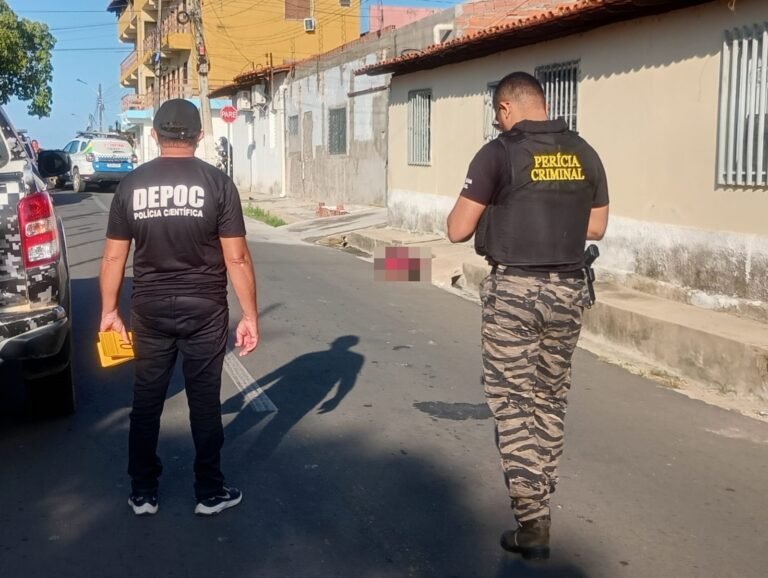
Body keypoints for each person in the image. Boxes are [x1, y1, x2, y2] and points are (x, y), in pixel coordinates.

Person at [446, 72, 609, 560]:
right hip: (568, 290)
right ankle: (540, 490)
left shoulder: (498, 153)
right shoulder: (584, 152)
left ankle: (532, 520)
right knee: (550, 398)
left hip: (515, 291)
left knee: (512, 404)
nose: (498, 122)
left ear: (506, 108)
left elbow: (457, 229)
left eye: (497, 114)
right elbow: (596, 226)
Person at [99, 99, 260, 517]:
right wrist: (249, 316)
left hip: (149, 309)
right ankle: (209, 492)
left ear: (154, 135)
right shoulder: (218, 184)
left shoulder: (131, 185)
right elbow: (238, 258)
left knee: (146, 400)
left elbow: (114, 257)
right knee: (204, 402)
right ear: (199, 136)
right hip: (204, 309)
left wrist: (109, 312)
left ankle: (143, 492)